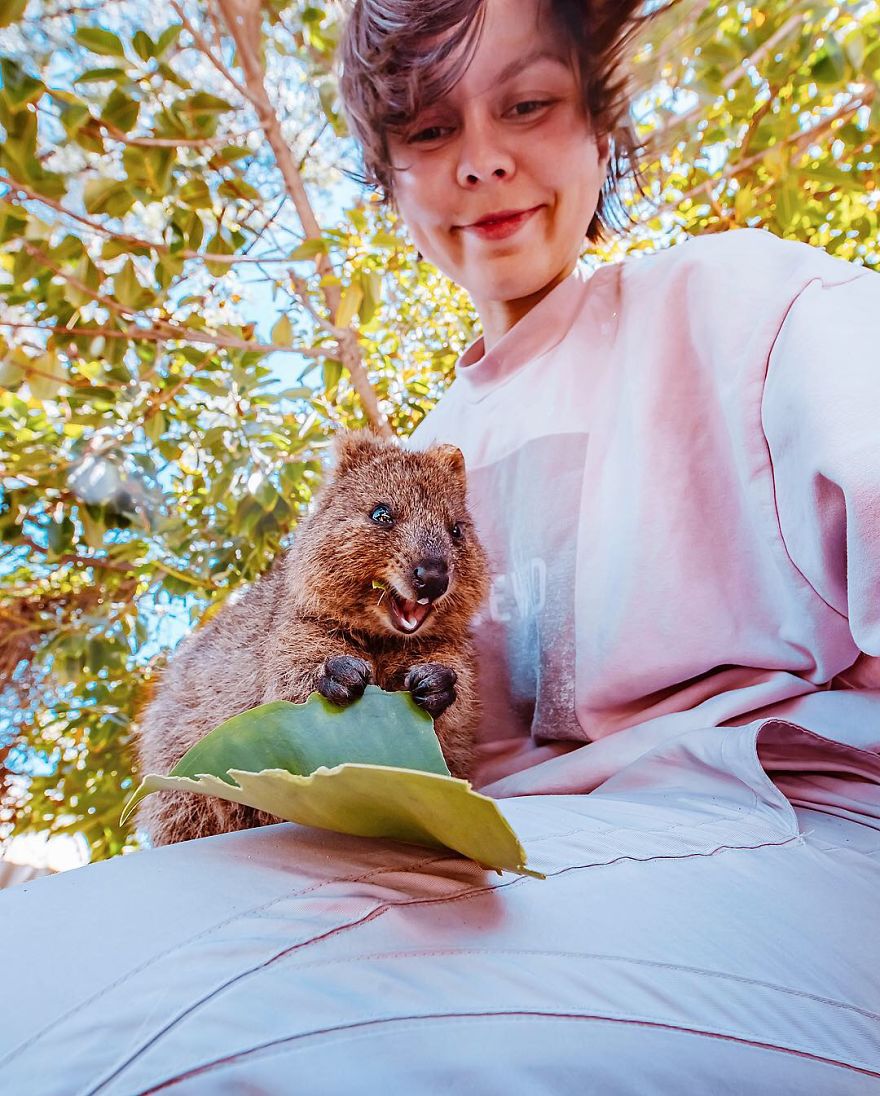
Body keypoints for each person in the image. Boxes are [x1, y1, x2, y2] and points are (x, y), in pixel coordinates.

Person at [1, 2, 878, 1092]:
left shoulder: (741, 302)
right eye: (426, 130)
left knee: (145, 1038)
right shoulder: (425, 456)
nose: (482, 161)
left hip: (772, 837)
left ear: (598, 121)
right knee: (52, 961)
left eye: (527, 103)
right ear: (386, 175)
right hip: (479, 871)